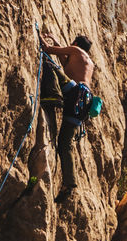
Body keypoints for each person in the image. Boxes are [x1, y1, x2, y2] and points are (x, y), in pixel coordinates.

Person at [39, 29, 96, 202]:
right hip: (85, 101)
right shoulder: (88, 62)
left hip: (75, 93)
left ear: (76, 44)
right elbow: (66, 65)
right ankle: (69, 183)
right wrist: (57, 40)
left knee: (48, 63)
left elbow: (48, 51)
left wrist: (39, 34)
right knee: (65, 142)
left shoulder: (76, 50)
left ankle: (53, 96)